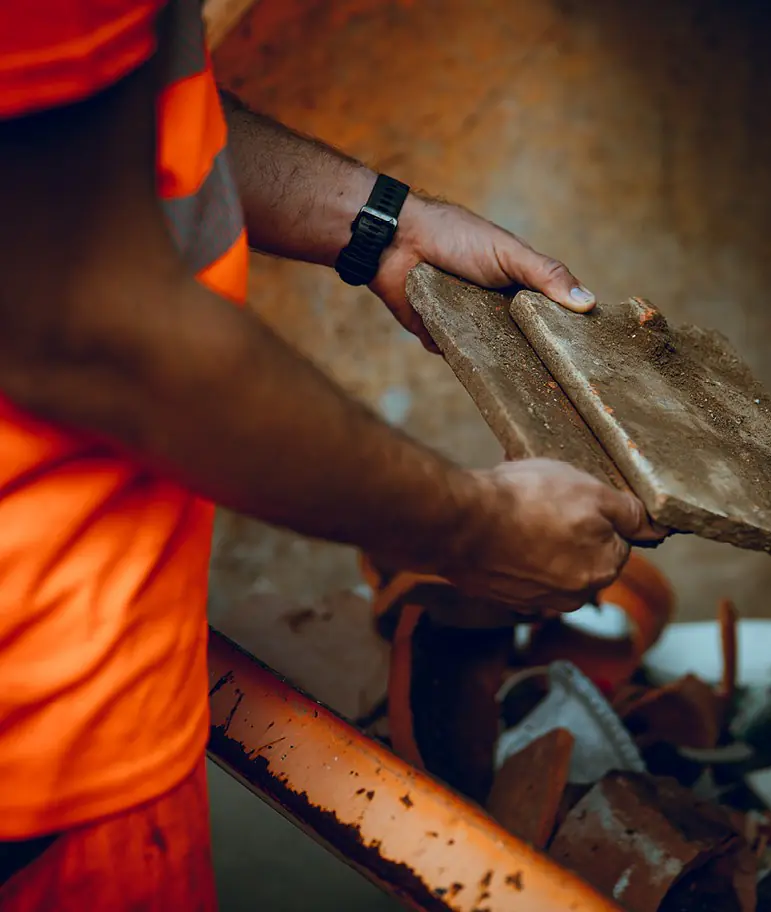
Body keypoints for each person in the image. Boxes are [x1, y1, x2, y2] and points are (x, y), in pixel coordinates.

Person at [0, 0, 664, 908]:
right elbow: (92, 322)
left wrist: (386, 223)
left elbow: (105, 126)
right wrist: (476, 528)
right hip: (38, 770)